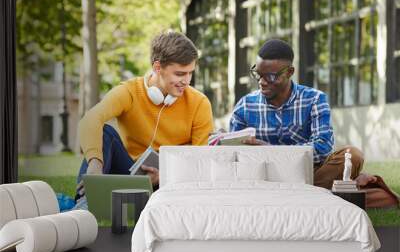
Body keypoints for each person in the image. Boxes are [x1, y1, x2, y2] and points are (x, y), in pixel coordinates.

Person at [230, 38, 399, 208]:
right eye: (257, 74)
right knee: (383, 198)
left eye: (271, 76)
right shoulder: (245, 105)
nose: (262, 82)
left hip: (309, 173)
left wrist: (273, 152)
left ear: (290, 72)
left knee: (352, 155)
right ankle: (343, 191)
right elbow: (232, 156)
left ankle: (291, 196)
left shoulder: (314, 99)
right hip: (265, 176)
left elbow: (323, 147)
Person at [74, 31, 214, 209]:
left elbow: (201, 162)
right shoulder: (130, 92)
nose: (186, 81)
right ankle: (82, 207)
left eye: (190, 73)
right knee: (105, 133)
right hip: (130, 174)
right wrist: (95, 164)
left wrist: (164, 175)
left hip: (172, 183)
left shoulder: (199, 103)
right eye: (179, 74)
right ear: (157, 67)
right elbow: (90, 119)